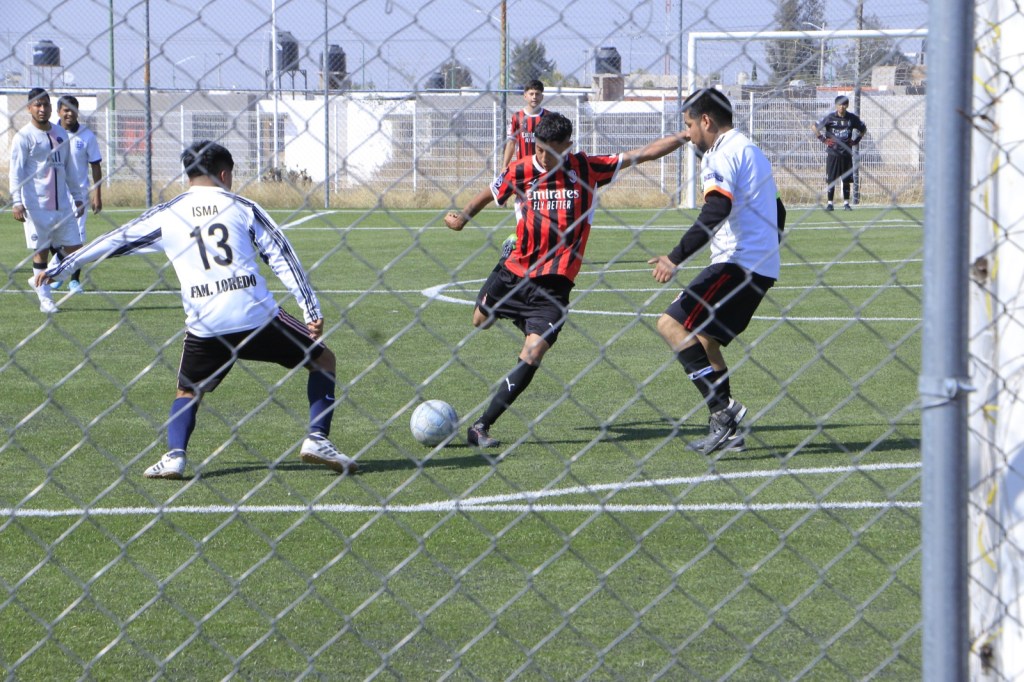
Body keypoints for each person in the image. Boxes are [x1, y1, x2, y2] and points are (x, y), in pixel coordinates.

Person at [38, 141, 356, 480]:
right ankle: (317, 438)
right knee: (323, 360)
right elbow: (281, 256)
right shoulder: (242, 207)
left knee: (188, 391)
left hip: (206, 323)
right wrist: (311, 309)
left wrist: (62, 265)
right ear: (224, 174)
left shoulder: (167, 214)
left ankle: (175, 455)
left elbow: (116, 240)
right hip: (255, 315)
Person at [445, 112, 692, 449]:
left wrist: (687, 135)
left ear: (568, 146)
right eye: (543, 150)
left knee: (532, 354)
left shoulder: (585, 168)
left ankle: (481, 426)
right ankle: (511, 288)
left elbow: (642, 154)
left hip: (555, 285)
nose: (548, 158)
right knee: (480, 321)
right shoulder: (521, 169)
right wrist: (463, 217)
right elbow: (489, 194)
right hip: (514, 271)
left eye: (556, 151)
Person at [648, 88, 786, 456]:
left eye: (690, 125)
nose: (689, 134)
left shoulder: (720, 154)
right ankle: (728, 432)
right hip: (759, 265)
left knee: (670, 324)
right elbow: (779, 210)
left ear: (706, 121)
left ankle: (723, 411)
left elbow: (715, 209)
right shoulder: (752, 150)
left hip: (737, 262)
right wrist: (766, 252)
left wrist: (674, 257)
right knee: (706, 342)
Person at [9, 88, 86, 314]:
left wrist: (78, 197)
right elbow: (17, 171)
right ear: (29, 108)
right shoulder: (23, 136)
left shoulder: (61, 134)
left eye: (46, 105)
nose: (42, 109)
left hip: (62, 206)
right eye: (37, 105)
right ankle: (46, 300)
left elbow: (70, 169)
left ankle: (41, 278)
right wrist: (16, 201)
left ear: (51, 108)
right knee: (41, 251)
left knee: (77, 250)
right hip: (36, 205)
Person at [52, 95, 103, 294]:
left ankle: (74, 280)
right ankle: (58, 273)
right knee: (54, 238)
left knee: (77, 238)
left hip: (78, 197)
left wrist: (97, 194)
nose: (69, 113)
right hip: (54, 194)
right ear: (59, 112)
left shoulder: (87, 136)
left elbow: (96, 166)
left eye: (73, 109)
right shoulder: (51, 133)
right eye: (65, 109)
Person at [811, 95, 867, 211]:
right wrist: (823, 139)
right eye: (840, 104)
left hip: (846, 154)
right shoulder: (830, 118)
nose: (842, 107)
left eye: (844, 104)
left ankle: (846, 203)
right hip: (833, 153)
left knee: (846, 179)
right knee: (831, 179)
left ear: (847, 105)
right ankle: (830, 203)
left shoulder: (852, 118)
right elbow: (814, 127)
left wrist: (856, 140)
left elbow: (863, 128)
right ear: (836, 106)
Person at [501, 79, 547, 170]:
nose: (534, 97)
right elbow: (511, 143)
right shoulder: (517, 117)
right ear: (525, 96)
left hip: (543, 167)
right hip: (523, 166)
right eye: (531, 94)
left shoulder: (548, 117)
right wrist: (504, 166)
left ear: (542, 97)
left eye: (537, 94)